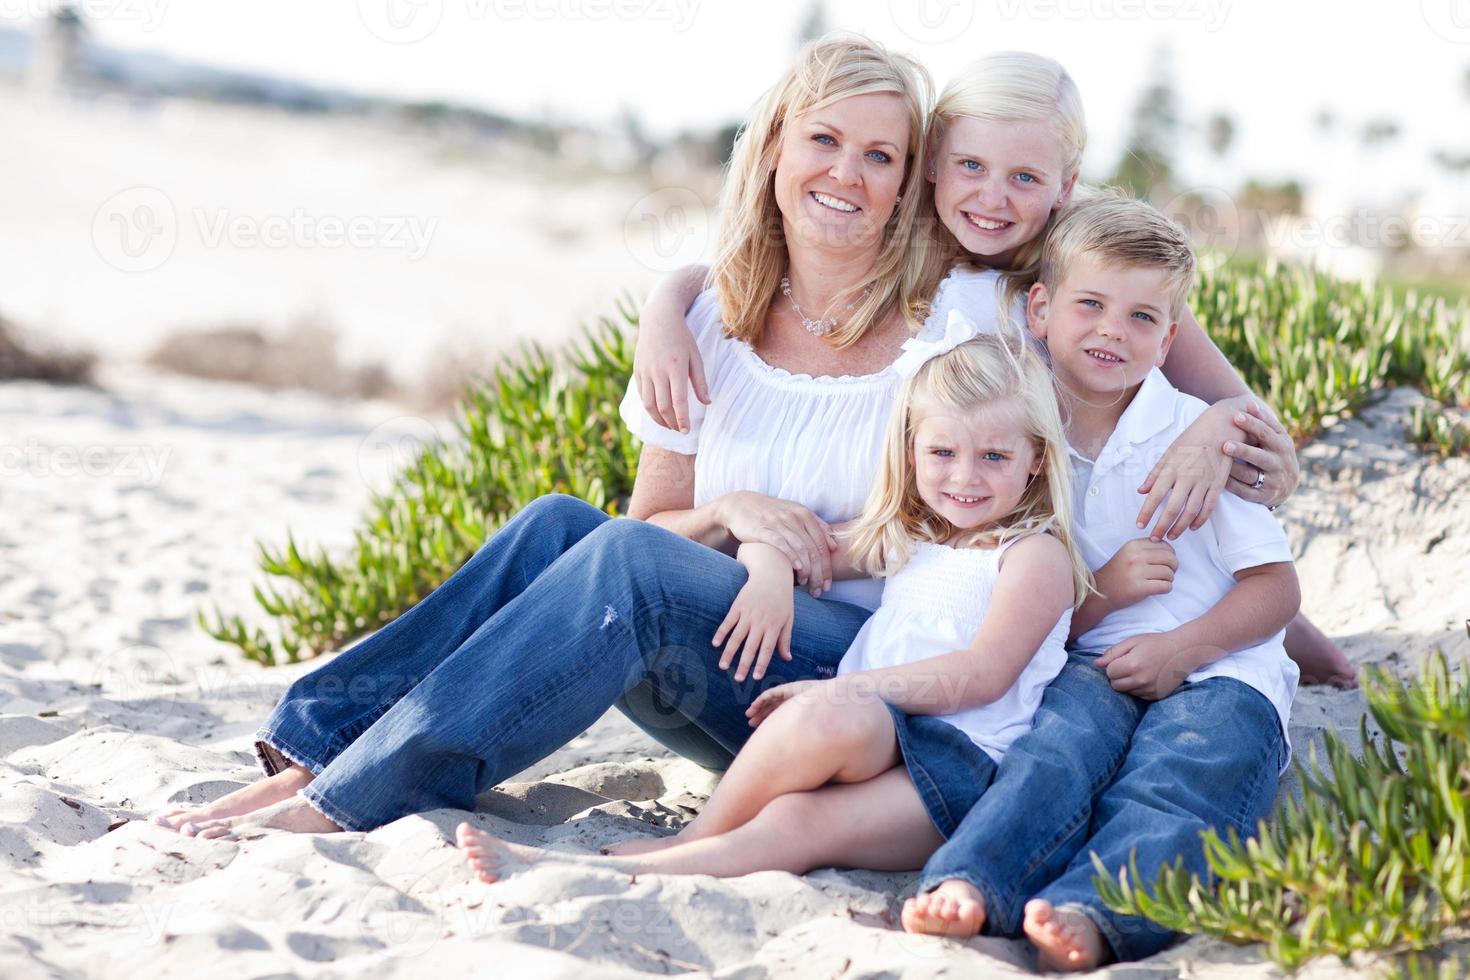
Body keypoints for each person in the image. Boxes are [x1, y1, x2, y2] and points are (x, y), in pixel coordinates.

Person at [153, 33, 990, 839]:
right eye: (824, 139)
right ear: (774, 147)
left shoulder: (943, 331)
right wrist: (732, 510)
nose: (847, 172)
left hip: (847, 681)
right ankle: (314, 758)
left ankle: (358, 795)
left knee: (629, 563)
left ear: (908, 183)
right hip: (717, 660)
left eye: (881, 156)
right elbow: (657, 522)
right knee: (559, 524)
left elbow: (964, 533)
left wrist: (780, 552)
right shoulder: (707, 322)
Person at [631, 51, 1355, 688]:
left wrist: (1218, 431)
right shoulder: (912, 247)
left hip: (1055, 526)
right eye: (971, 167)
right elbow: (762, 259)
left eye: (1025, 177)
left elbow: (1238, 417)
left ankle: (1287, 625)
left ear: (1064, 187)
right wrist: (666, 303)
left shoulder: (1090, 268)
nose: (992, 198)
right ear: (934, 164)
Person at [457, 330, 1088, 882]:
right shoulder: (909, 536)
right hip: (881, 731)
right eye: (943, 454)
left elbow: (982, 675)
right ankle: (696, 836)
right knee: (828, 720)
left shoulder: (1033, 556)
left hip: (962, 764)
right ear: (913, 450)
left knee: (797, 816)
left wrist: (845, 689)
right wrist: (765, 576)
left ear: (1036, 461)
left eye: (995, 457)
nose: (965, 478)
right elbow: (782, 543)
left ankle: (642, 858)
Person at [906, 192, 1301, 971]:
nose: (1111, 332)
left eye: (1142, 318)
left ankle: (1097, 909)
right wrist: (1104, 602)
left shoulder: (1193, 434)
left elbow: (1278, 592)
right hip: (1089, 660)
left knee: (1186, 771)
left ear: (1168, 341)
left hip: (1221, 668)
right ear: (1041, 310)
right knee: (1053, 756)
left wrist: (1184, 648)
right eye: (1090, 304)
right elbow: (1033, 602)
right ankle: (973, 882)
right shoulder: (1018, 436)